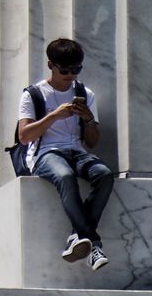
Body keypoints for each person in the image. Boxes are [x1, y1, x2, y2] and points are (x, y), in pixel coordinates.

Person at [18, 37, 115, 271]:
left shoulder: (84, 93)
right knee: (65, 176)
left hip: (77, 152)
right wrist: (54, 116)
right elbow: (24, 136)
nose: (71, 75)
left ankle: (77, 236)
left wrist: (88, 119)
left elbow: (91, 142)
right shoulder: (33, 94)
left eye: (77, 70)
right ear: (51, 65)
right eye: (65, 70)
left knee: (104, 174)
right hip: (45, 153)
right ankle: (94, 244)